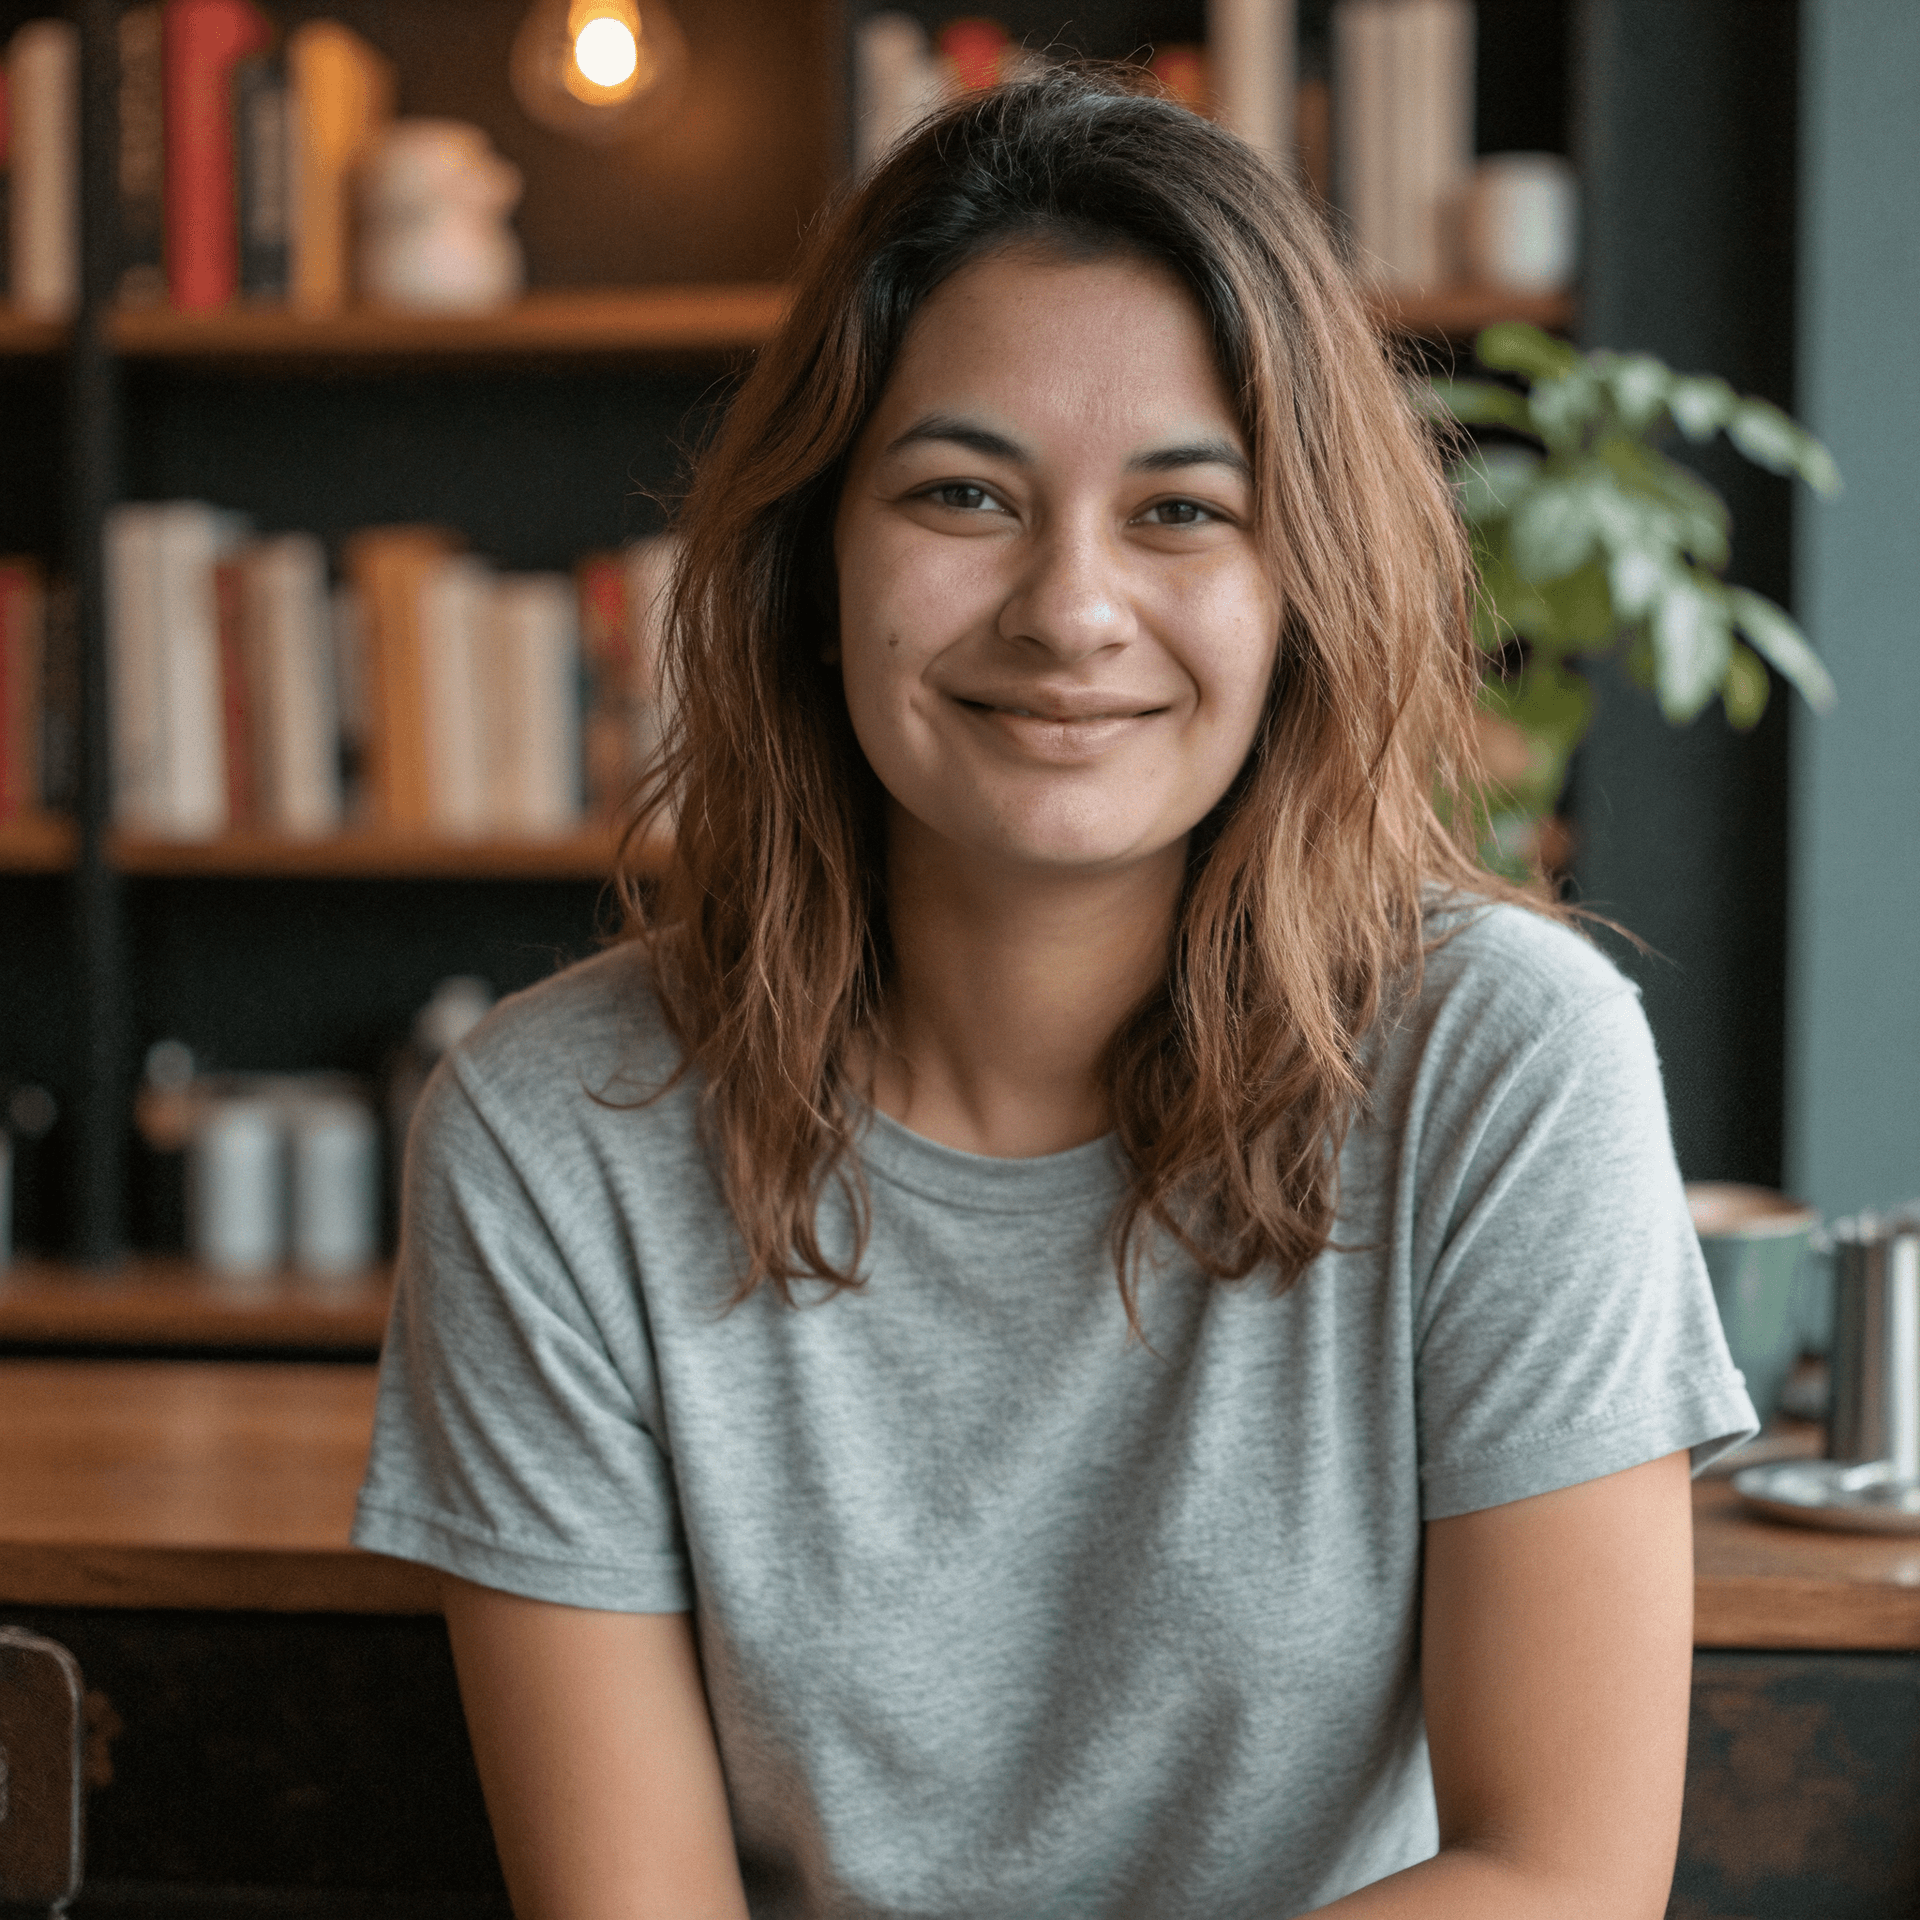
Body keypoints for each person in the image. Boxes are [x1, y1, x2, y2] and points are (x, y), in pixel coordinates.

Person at [353, 69, 1756, 1920]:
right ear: (812, 563)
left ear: (1301, 589)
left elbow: (1557, 1877)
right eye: (963, 494)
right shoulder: (552, 1137)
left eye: (1182, 510)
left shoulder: (1503, 1061)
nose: (1070, 610)